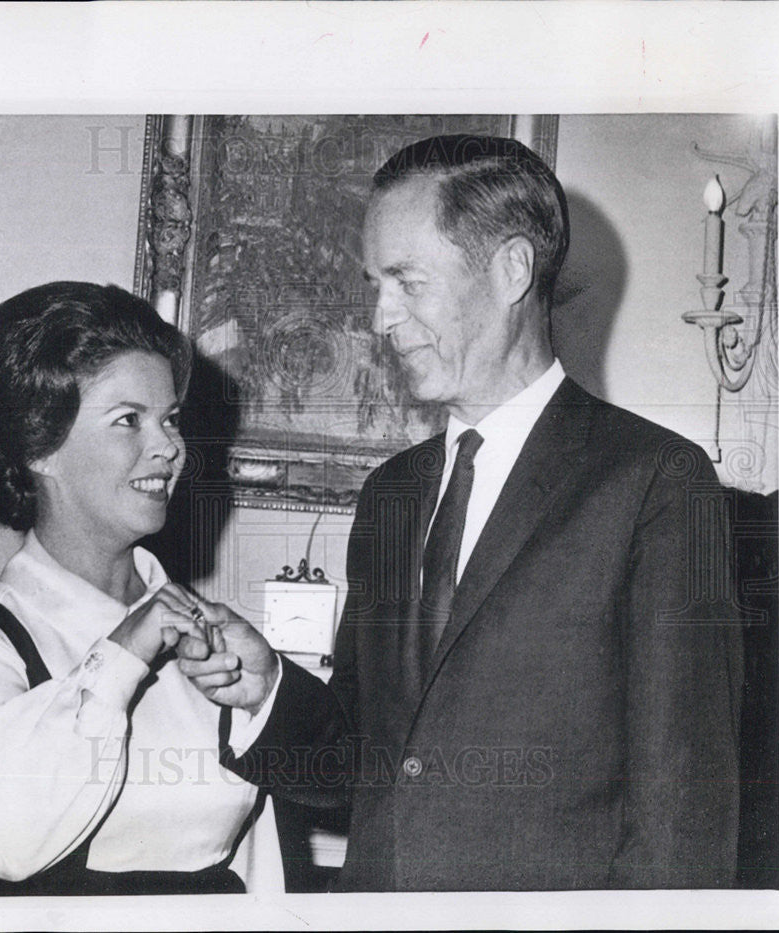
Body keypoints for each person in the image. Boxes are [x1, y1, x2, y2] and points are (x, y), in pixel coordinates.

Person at [176, 135, 744, 891]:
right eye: (376, 283)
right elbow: (361, 765)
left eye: (407, 282)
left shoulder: (656, 482)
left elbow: (684, 809)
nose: (379, 316)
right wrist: (267, 689)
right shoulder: (391, 495)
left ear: (513, 269)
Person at [0, 282, 283, 896]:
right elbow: (0, 838)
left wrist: (265, 689)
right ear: (40, 449)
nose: (168, 447)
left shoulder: (212, 632)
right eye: (128, 420)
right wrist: (121, 659)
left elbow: (256, 864)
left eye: (169, 420)